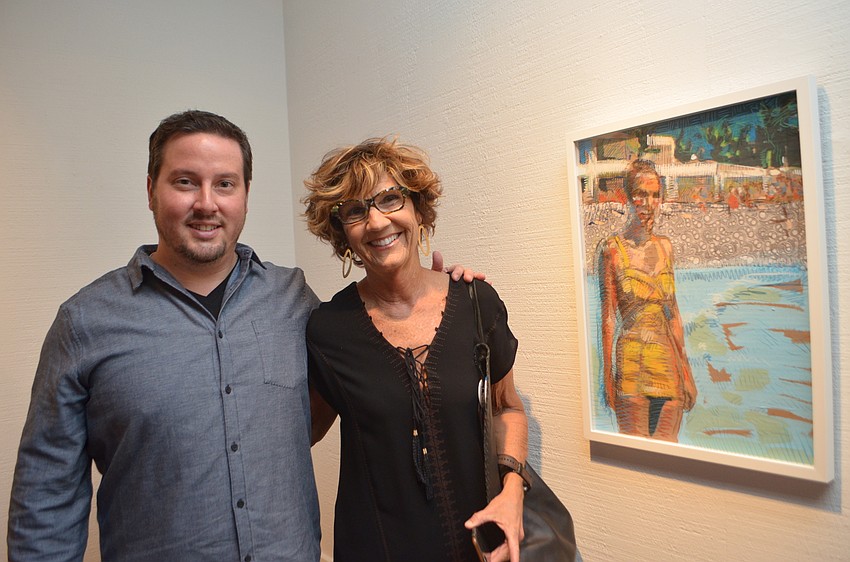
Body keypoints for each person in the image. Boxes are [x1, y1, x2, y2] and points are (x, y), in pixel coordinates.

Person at [7, 111, 474, 561]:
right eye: (185, 181)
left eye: (225, 184)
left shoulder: (295, 301)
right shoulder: (85, 322)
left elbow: (376, 372)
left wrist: (437, 292)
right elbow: (47, 496)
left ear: (245, 194)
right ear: (151, 190)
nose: (206, 203)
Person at [303, 138, 529, 562]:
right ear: (343, 235)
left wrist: (513, 491)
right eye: (355, 210)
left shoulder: (478, 304)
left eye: (390, 199)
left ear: (418, 210)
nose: (376, 222)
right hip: (378, 547)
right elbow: (299, 434)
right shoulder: (327, 329)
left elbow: (507, 408)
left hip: (481, 546)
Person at [597, 159, 697, 442]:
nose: (648, 202)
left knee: (671, 455)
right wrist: (608, 377)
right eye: (640, 194)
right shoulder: (612, 250)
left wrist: (686, 372)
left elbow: (673, 313)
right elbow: (608, 318)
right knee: (635, 456)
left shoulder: (665, 247)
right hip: (631, 363)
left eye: (654, 195)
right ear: (628, 198)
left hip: (668, 364)